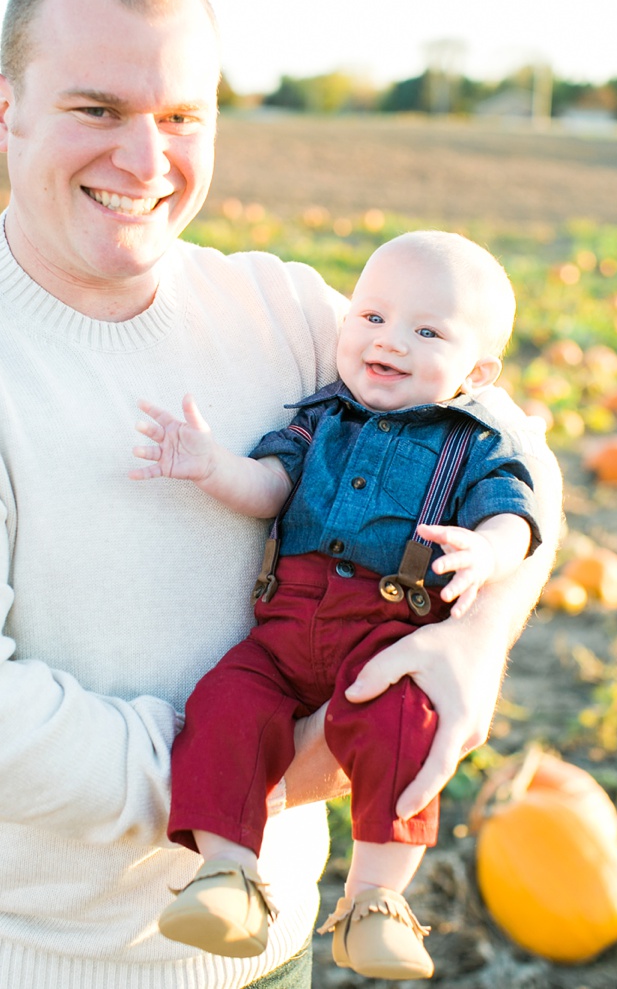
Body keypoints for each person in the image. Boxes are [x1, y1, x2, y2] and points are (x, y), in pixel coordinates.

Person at [0, 0, 561, 989]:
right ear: (0, 108)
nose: (146, 162)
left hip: (271, 952)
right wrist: (266, 768)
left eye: (181, 118)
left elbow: (509, 451)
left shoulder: (284, 308)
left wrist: (475, 640)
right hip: (11, 961)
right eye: (97, 110)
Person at [130, 231, 542, 980]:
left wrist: (490, 552)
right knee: (225, 703)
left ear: (477, 372)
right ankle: (227, 875)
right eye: (372, 316)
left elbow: (514, 510)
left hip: (381, 632)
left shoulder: (472, 442)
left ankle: (374, 898)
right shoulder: (319, 418)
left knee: (397, 723)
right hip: (283, 630)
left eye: (426, 331)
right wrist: (209, 464)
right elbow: (269, 488)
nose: (390, 341)